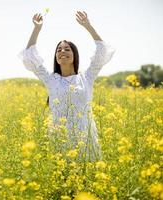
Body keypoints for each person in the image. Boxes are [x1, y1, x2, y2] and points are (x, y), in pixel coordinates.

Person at [17, 11, 116, 162]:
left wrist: (88, 26)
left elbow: (102, 52)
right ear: (56, 58)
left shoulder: (87, 77)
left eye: (67, 49)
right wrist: (37, 29)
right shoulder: (51, 79)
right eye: (59, 50)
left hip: (85, 139)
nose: (62, 51)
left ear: (74, 55)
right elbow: (30, 58)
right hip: (59, 139)